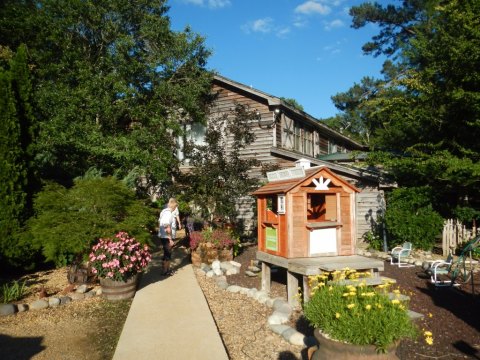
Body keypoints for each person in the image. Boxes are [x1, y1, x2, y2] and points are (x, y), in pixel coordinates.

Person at [158, 198, 177, 276]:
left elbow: (159, 222)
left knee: (166, 252)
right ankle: (165, 271)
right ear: (173, 205)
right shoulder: (168, 213)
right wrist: (170, 239)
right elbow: (166, 225)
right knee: (168, 254)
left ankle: (165, 269)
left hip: (162, 236)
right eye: (175, 207)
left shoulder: (164, 212)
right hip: (166, 237)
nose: (176, 209)